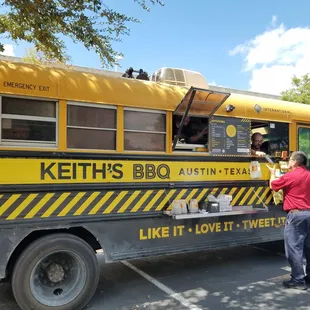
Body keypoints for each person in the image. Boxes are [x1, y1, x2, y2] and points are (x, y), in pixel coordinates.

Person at [267, 151, 310, 290]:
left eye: (290, 159)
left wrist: (272, 173)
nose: (289, 161)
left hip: (296, 216)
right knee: (309, 248)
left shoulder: (291, 176)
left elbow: (273, 185)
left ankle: (298, 279)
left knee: (294, 248)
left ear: (295, 162)